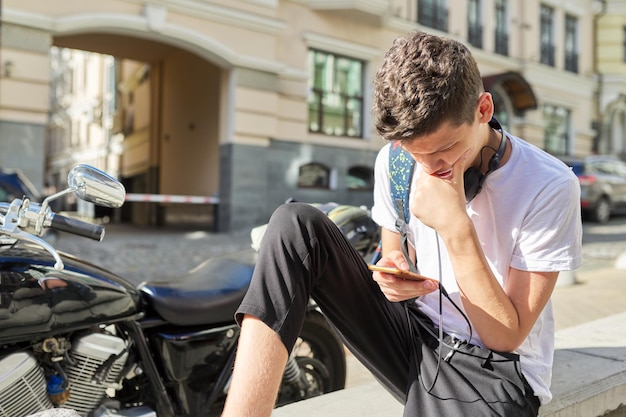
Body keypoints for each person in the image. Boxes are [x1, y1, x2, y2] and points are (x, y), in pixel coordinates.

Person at [221, 31, 582, 417]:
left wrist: (457, 227)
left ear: (484, 109)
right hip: (412, 334)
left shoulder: (549, 185)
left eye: (445, 149)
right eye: (416, 153)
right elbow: (393, 250)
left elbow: (505, 336)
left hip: (491, 372)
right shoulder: (395, 161)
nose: (429, 167)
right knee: (293, 226)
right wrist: (393, 271)